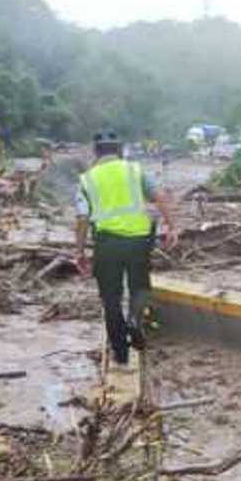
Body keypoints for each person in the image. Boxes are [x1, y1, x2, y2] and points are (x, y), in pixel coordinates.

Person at [75, 132, 177, 367]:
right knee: (139, 287)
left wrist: (79, 252)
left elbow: (81, 218)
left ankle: (120, 353)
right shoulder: (135, 170)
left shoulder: (86, 179)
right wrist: (172, 227)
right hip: (139, 241)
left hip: (107, 243)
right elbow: (159, 196)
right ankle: (135, 321)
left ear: (96, 152)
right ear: (119, 150)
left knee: (110, 298)